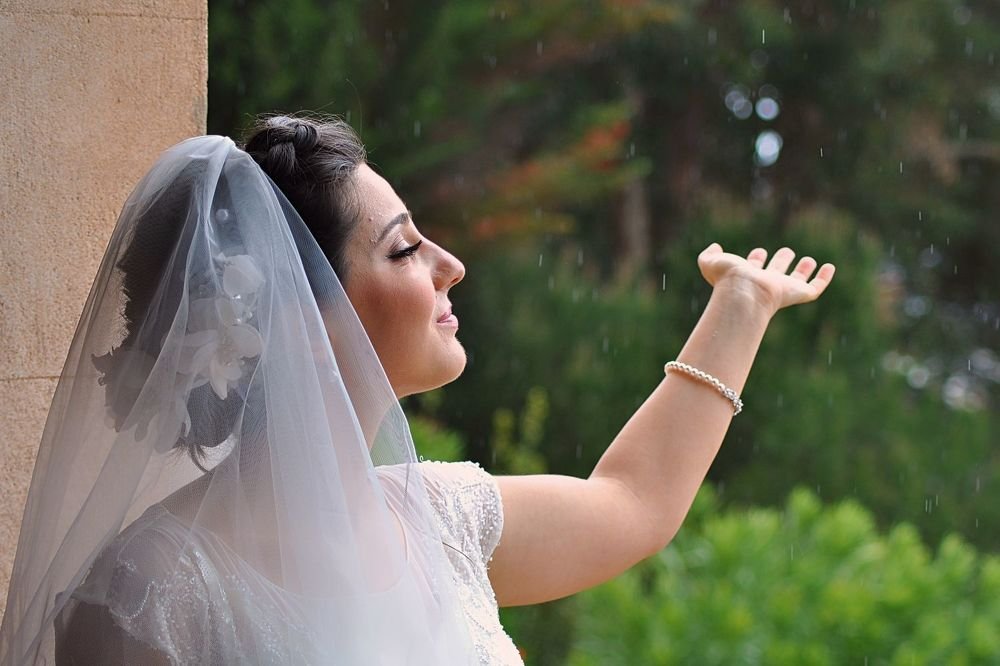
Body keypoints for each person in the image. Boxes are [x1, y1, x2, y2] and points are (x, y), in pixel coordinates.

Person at [0, 115, 834, 665]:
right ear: (296, 316)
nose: (451, 267)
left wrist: (743, 303)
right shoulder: (152, 597)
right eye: (403, 250)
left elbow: (632, 501)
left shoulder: (440, 517)